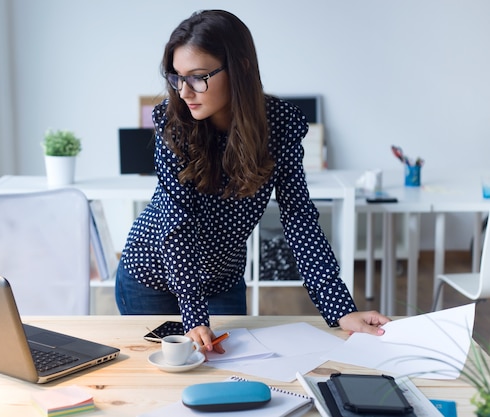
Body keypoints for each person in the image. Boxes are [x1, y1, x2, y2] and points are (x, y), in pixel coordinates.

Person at [115, 9, 390, 353]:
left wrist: (341, 311)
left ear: (240, 67)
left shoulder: (279, 125)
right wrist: (194, 316)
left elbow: (299, 218)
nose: (184, 92)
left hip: (223, 280)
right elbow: (177, 224)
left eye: (198, 77)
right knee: (164, 384)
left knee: (232, 375)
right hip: (151, 276)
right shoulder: (174, 126)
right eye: (176, 78)